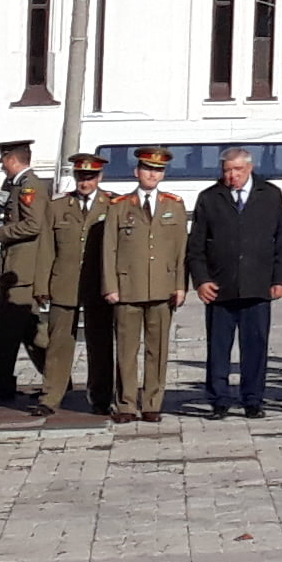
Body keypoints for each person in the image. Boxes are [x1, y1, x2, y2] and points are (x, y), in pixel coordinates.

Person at [192, 144, 282, 419]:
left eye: (237, 170)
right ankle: (219, 399)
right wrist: (201, 280)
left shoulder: (270, 195)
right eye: (226, 171)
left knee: (255, 347)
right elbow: (196, 245)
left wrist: (280, 278)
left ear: (250, 168)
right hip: (220, 288)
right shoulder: (210, 198)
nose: (231, 176)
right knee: (219, 348)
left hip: (258, 286)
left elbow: (281, 239)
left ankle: (253, 399)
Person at [103, 148, 189, 422]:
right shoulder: (120, 206)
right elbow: (109, 250)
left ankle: (152, 403)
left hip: (162, 288)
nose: (153, 174)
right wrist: (110, 285)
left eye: (158, 170)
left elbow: (180, 250)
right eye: (148, 169)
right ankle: (126, 404)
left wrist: (180, 285)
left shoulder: (174, 205)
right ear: (136, 171)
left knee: (158, 349)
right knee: (127, 351)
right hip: (128, 288)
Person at [25, 147, 108, 421]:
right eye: (81, 176)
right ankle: (50, 397)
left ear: (100, 176)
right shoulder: (58, 207)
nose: (85, 182)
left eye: (91, 176)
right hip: (64, 283)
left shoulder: (112, 205)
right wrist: (41, 285)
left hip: (99, 285)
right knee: (59, 344)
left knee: (100, 344)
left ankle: (101, 397)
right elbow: (46, 248)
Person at [0, 140, 48, 401]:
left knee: (8, 330)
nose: (3, 168)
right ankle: (56, 378)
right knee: (30, 330)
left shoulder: (29, 185)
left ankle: (3, 384)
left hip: (23, 271)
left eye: (4, 162)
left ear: (11, 160)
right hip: (14, 270)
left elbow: (33, 225)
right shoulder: (19, 185)